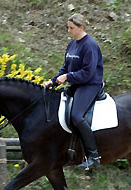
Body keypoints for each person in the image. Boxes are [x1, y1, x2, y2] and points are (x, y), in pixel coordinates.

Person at [44, 13, 103, 170]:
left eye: (71, 28)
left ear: (81, 28)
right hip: (77, 83)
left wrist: (67, 77)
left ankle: (93, 155)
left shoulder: (90, 45)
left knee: (76, 115)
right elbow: (65, 67)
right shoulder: (72, 44)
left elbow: (88, 73)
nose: (68, 30)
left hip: (90, 84)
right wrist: (54, 79)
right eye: (68, 27)